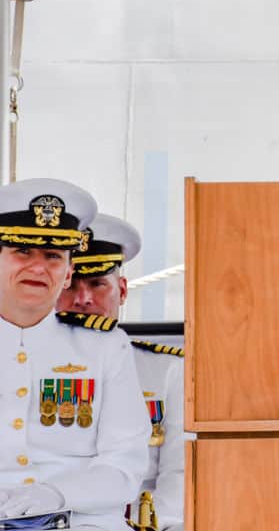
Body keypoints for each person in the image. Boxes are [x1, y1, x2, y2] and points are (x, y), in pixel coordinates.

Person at [0, 178, 147, 530]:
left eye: (53, 256)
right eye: (23, 252)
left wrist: (57, 494)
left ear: (68, 274)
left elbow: (124, 464)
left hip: (84, 521)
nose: (38, 268)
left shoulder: (106, 347)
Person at [55, 213, 185, 531]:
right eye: (69, 285)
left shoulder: (168, 370)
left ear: (123, 291)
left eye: (97, 283)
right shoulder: (18, 365)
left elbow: (181, 474)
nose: (83, 299)